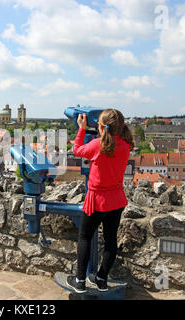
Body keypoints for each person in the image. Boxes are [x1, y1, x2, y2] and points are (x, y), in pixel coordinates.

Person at [66, 109, 135, 293]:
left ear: (102, 127)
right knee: (111, 241)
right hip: (116, 200)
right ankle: (101, 279)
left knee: (85, 237)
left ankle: (80, 281)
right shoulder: (126, 145)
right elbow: (120, 132)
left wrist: (81, 128)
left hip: (96, 200)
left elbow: (77, 150)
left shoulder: (97, 145)